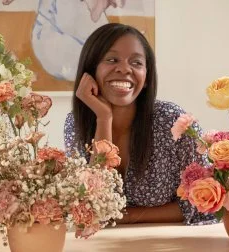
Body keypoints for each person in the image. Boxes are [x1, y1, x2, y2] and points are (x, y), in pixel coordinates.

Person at [64, 23, 217, 225]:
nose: (124, 69)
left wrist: (123, 217)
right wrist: (104, 118)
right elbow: (93, 203)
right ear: (90, 71)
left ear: (146, 78)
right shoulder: (76, 124)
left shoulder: (173, 121)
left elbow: (203, 202)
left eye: (136, 63)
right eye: (112, 60)